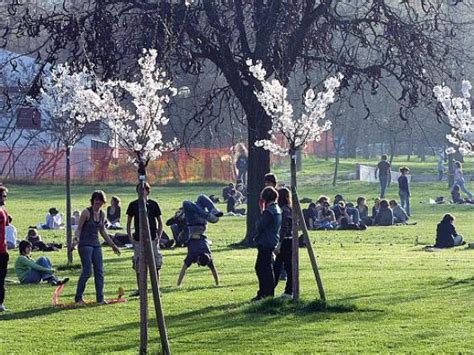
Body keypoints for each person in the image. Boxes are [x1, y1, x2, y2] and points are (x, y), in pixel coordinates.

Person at [74, 190, 120, 304]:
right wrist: (76, 240)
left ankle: (100, 299)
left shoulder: (102, 214)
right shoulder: (86, 212)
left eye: (100, 200)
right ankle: (78, 298)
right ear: (92, 201)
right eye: (96, 200)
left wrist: (113, 245)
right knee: (87, 271)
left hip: (96, 244)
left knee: (99, 271)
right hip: (85, 244)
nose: (98, 202)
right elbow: (79, 228)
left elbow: (103, 232)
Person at [127, 183, 163, 297]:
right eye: (139, 190)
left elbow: (160, 222)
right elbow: (129, 223)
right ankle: (141, 289)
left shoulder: (153, 204)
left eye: (143, 190)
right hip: (138, 240)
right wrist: (131, 238)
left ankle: (156, 289)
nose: (141, 192)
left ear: (148, 191)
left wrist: (159, 236)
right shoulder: (133, 205)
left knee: (155, 265)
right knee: (138, 265)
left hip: (152, 238)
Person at [252, 186, 282, 301]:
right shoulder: (277, 209)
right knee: (265, 268)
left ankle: (265, 293)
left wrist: (262, 211)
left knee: (262, 268)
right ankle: (265, 293)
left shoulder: (269, 211)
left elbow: (260, 225)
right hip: (271, 241)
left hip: (265, 242)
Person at [273, 187, 293, 299]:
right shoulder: (289, 209)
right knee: (280, 266)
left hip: (285, 241)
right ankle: (271, 288)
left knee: (284, 266)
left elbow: (284, 228)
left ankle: (289, 291)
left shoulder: (283, 210)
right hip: (289, 240)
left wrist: (279, 243)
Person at [0, 186, 10, 312]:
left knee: (1, 279)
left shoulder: (3, 211)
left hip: (2, 249)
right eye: (3, 196)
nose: (5, 198)